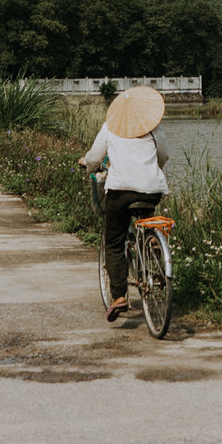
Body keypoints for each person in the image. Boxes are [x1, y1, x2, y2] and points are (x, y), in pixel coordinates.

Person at [78, 84, 169, 323]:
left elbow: (95, 157)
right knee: (147, 219)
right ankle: (153, 245)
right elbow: (164, 157)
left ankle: (118, 296)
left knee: (114, 240)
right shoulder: (152, 128)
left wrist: (87, 163)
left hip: (120, 192)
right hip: (151, 190)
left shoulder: (110, 127)